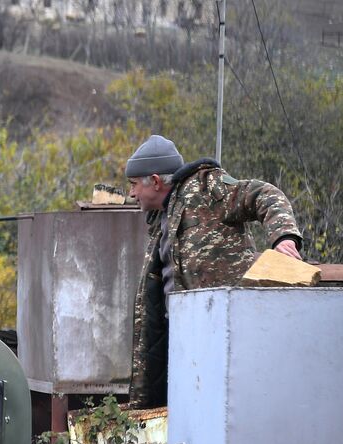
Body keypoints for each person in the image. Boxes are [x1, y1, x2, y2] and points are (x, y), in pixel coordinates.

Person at [125, 134, 303, 408]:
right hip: (184, 336)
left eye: (134, 185)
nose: (132, 193)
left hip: (227, 332)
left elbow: (265, 195)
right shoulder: (162, 218)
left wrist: (284, 238)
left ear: (157, 181)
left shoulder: (209, 190)